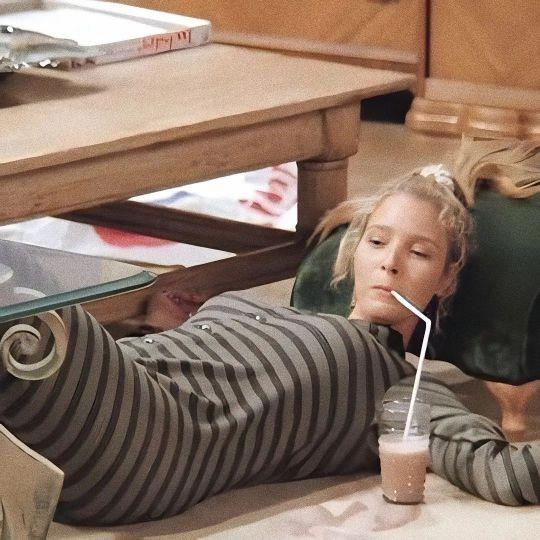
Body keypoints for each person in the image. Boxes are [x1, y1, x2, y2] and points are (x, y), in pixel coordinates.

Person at [0, 139, 539, 529]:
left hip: (144, 448)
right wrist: (172, 328)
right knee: (25, 295)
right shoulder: (271, 314)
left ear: (446, 279)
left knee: (23, 293)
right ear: (355, 250)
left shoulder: (401, 388)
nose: (390, 262)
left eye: (419, 252)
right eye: (378, 241)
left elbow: (507, 474)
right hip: (105, 388)